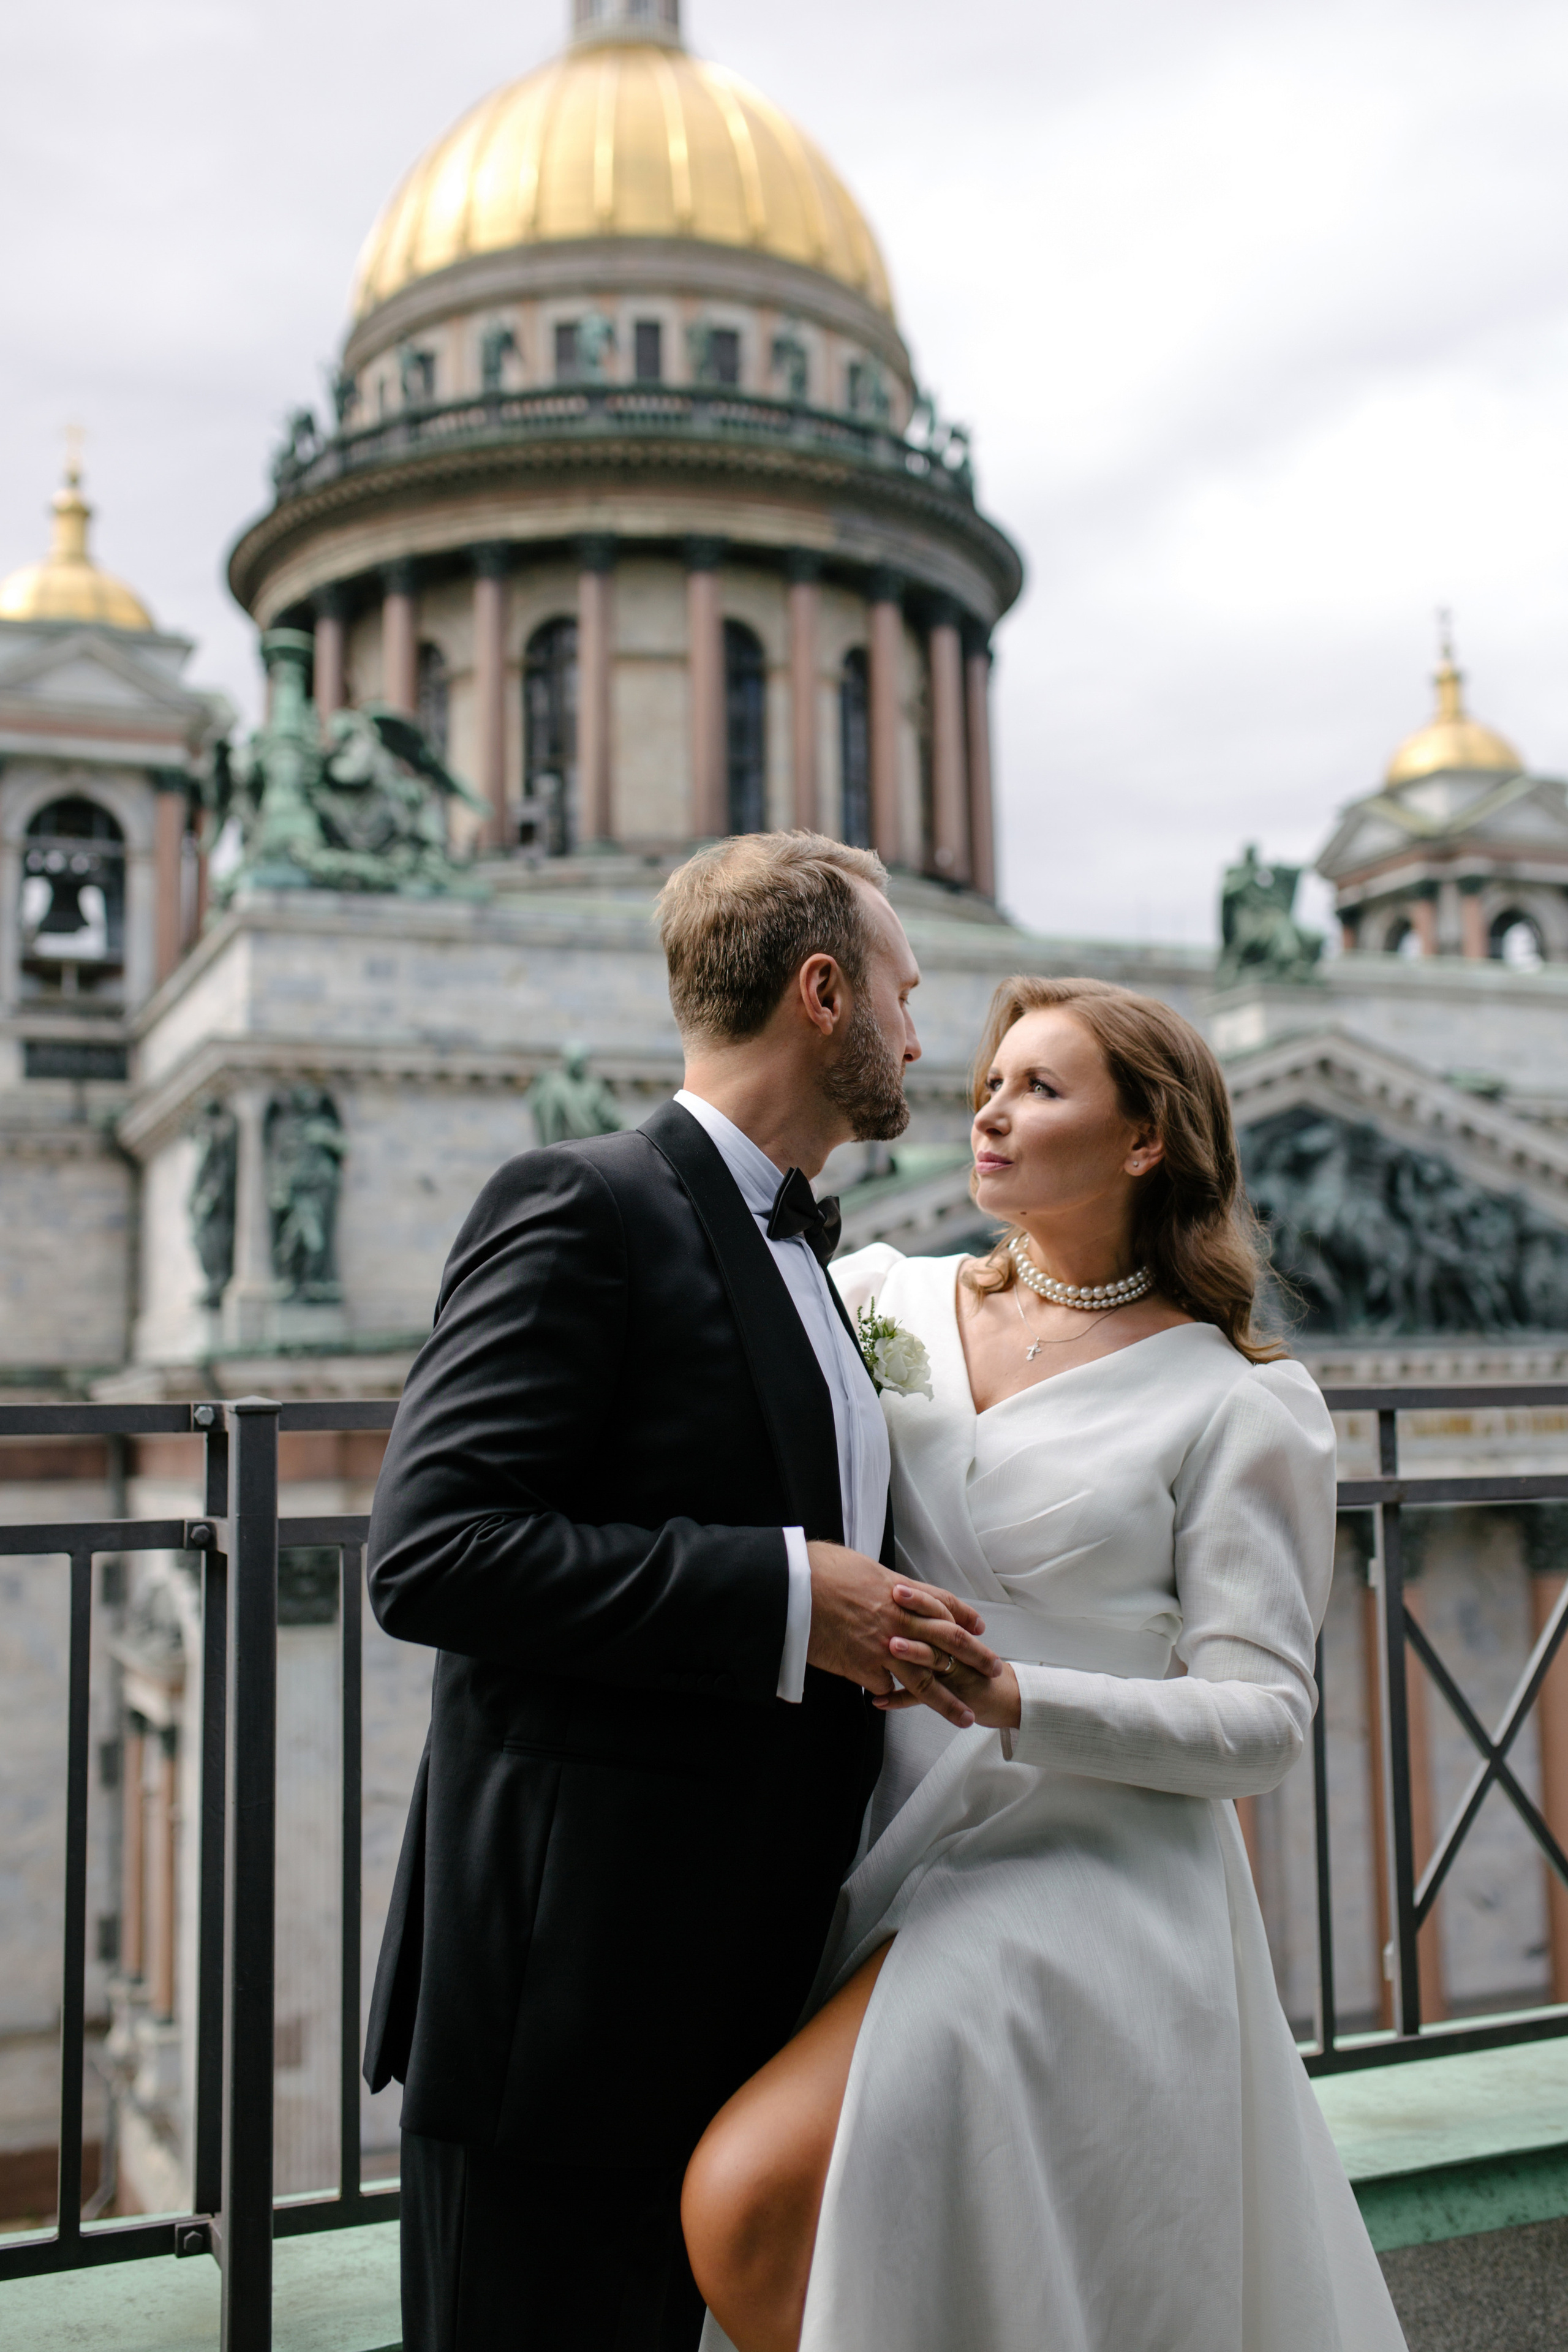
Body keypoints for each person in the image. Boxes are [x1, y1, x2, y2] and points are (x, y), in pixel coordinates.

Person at [683, 974, 1408, 2352]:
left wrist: (1015, 1697)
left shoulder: (1240, 1402)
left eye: (1040, 1088)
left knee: (749, 2199)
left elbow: (1263, 1722)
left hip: (1077, 1861)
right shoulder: (878, 1295)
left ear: (1144, 1139)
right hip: (867, 1827)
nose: (990, 1114)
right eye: (989, 1086)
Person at [361, 832, 1000, 2352]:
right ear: (821, 994)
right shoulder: (579, 1201)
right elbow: (431, 1549)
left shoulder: (807, 1247)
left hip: (732, 1985)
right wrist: (788, 1597)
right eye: (904, 995)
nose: (921, 1038)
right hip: (564, 2007)